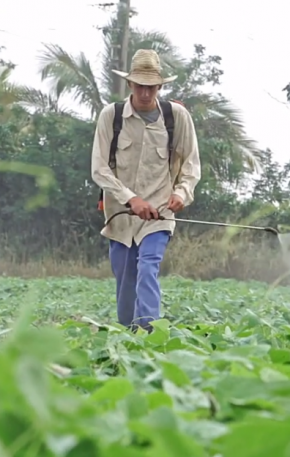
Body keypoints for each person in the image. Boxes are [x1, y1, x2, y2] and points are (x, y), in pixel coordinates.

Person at [91, 49, 201, 333]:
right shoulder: (111, 116)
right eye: (139, 85)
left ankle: (150, 332)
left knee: (148, 267)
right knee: (125, 280)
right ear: (130, 85)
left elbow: (191, 164)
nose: (144, 92)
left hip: (159, 213)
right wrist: (132, 199)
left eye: (150, 86)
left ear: (160, 86)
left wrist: (182, 193)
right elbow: (99, 169)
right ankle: (128, 334)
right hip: (121, 216)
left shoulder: (176, 117)